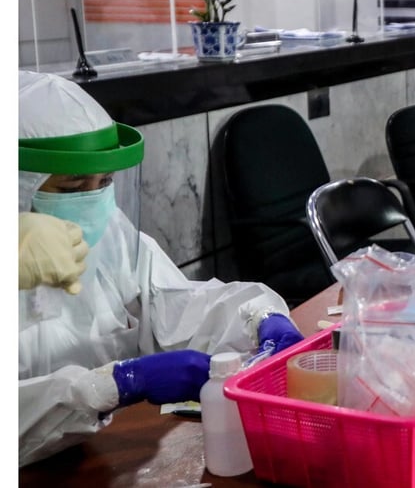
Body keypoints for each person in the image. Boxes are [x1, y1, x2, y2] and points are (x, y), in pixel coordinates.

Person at [18, 71, 304, 466]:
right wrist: (110, 387)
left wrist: (258, 316)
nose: (93, 200)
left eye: (105, 181)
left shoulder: (111, 236)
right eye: (72, 188)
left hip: (96, 461)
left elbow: (175, 305)